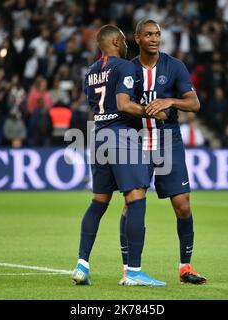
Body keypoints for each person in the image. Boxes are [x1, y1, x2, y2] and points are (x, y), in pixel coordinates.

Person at [71, 24, 167, 287]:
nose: (127, 46)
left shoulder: (90, 72)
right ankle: (134, 272)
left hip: (98, 134)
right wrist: (152, 111)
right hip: (119, 135)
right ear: (115, 42)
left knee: (98, 202)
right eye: (124, 41)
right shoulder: (124, 67)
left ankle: (82, 265)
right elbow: (123, 105)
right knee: (136, 198)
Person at [118, 19, 206, 286]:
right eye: (149, 34)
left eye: (157, 34)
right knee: (131, 204)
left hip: (169, 142)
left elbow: (194, 103)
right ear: (137, 38)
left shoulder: (175, 66)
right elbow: (122, 104)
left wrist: (170, 100)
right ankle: (129, 269)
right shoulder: (128, 69)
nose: (155, 38)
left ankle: (185, 267)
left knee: (183, 206)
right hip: (137, 143)